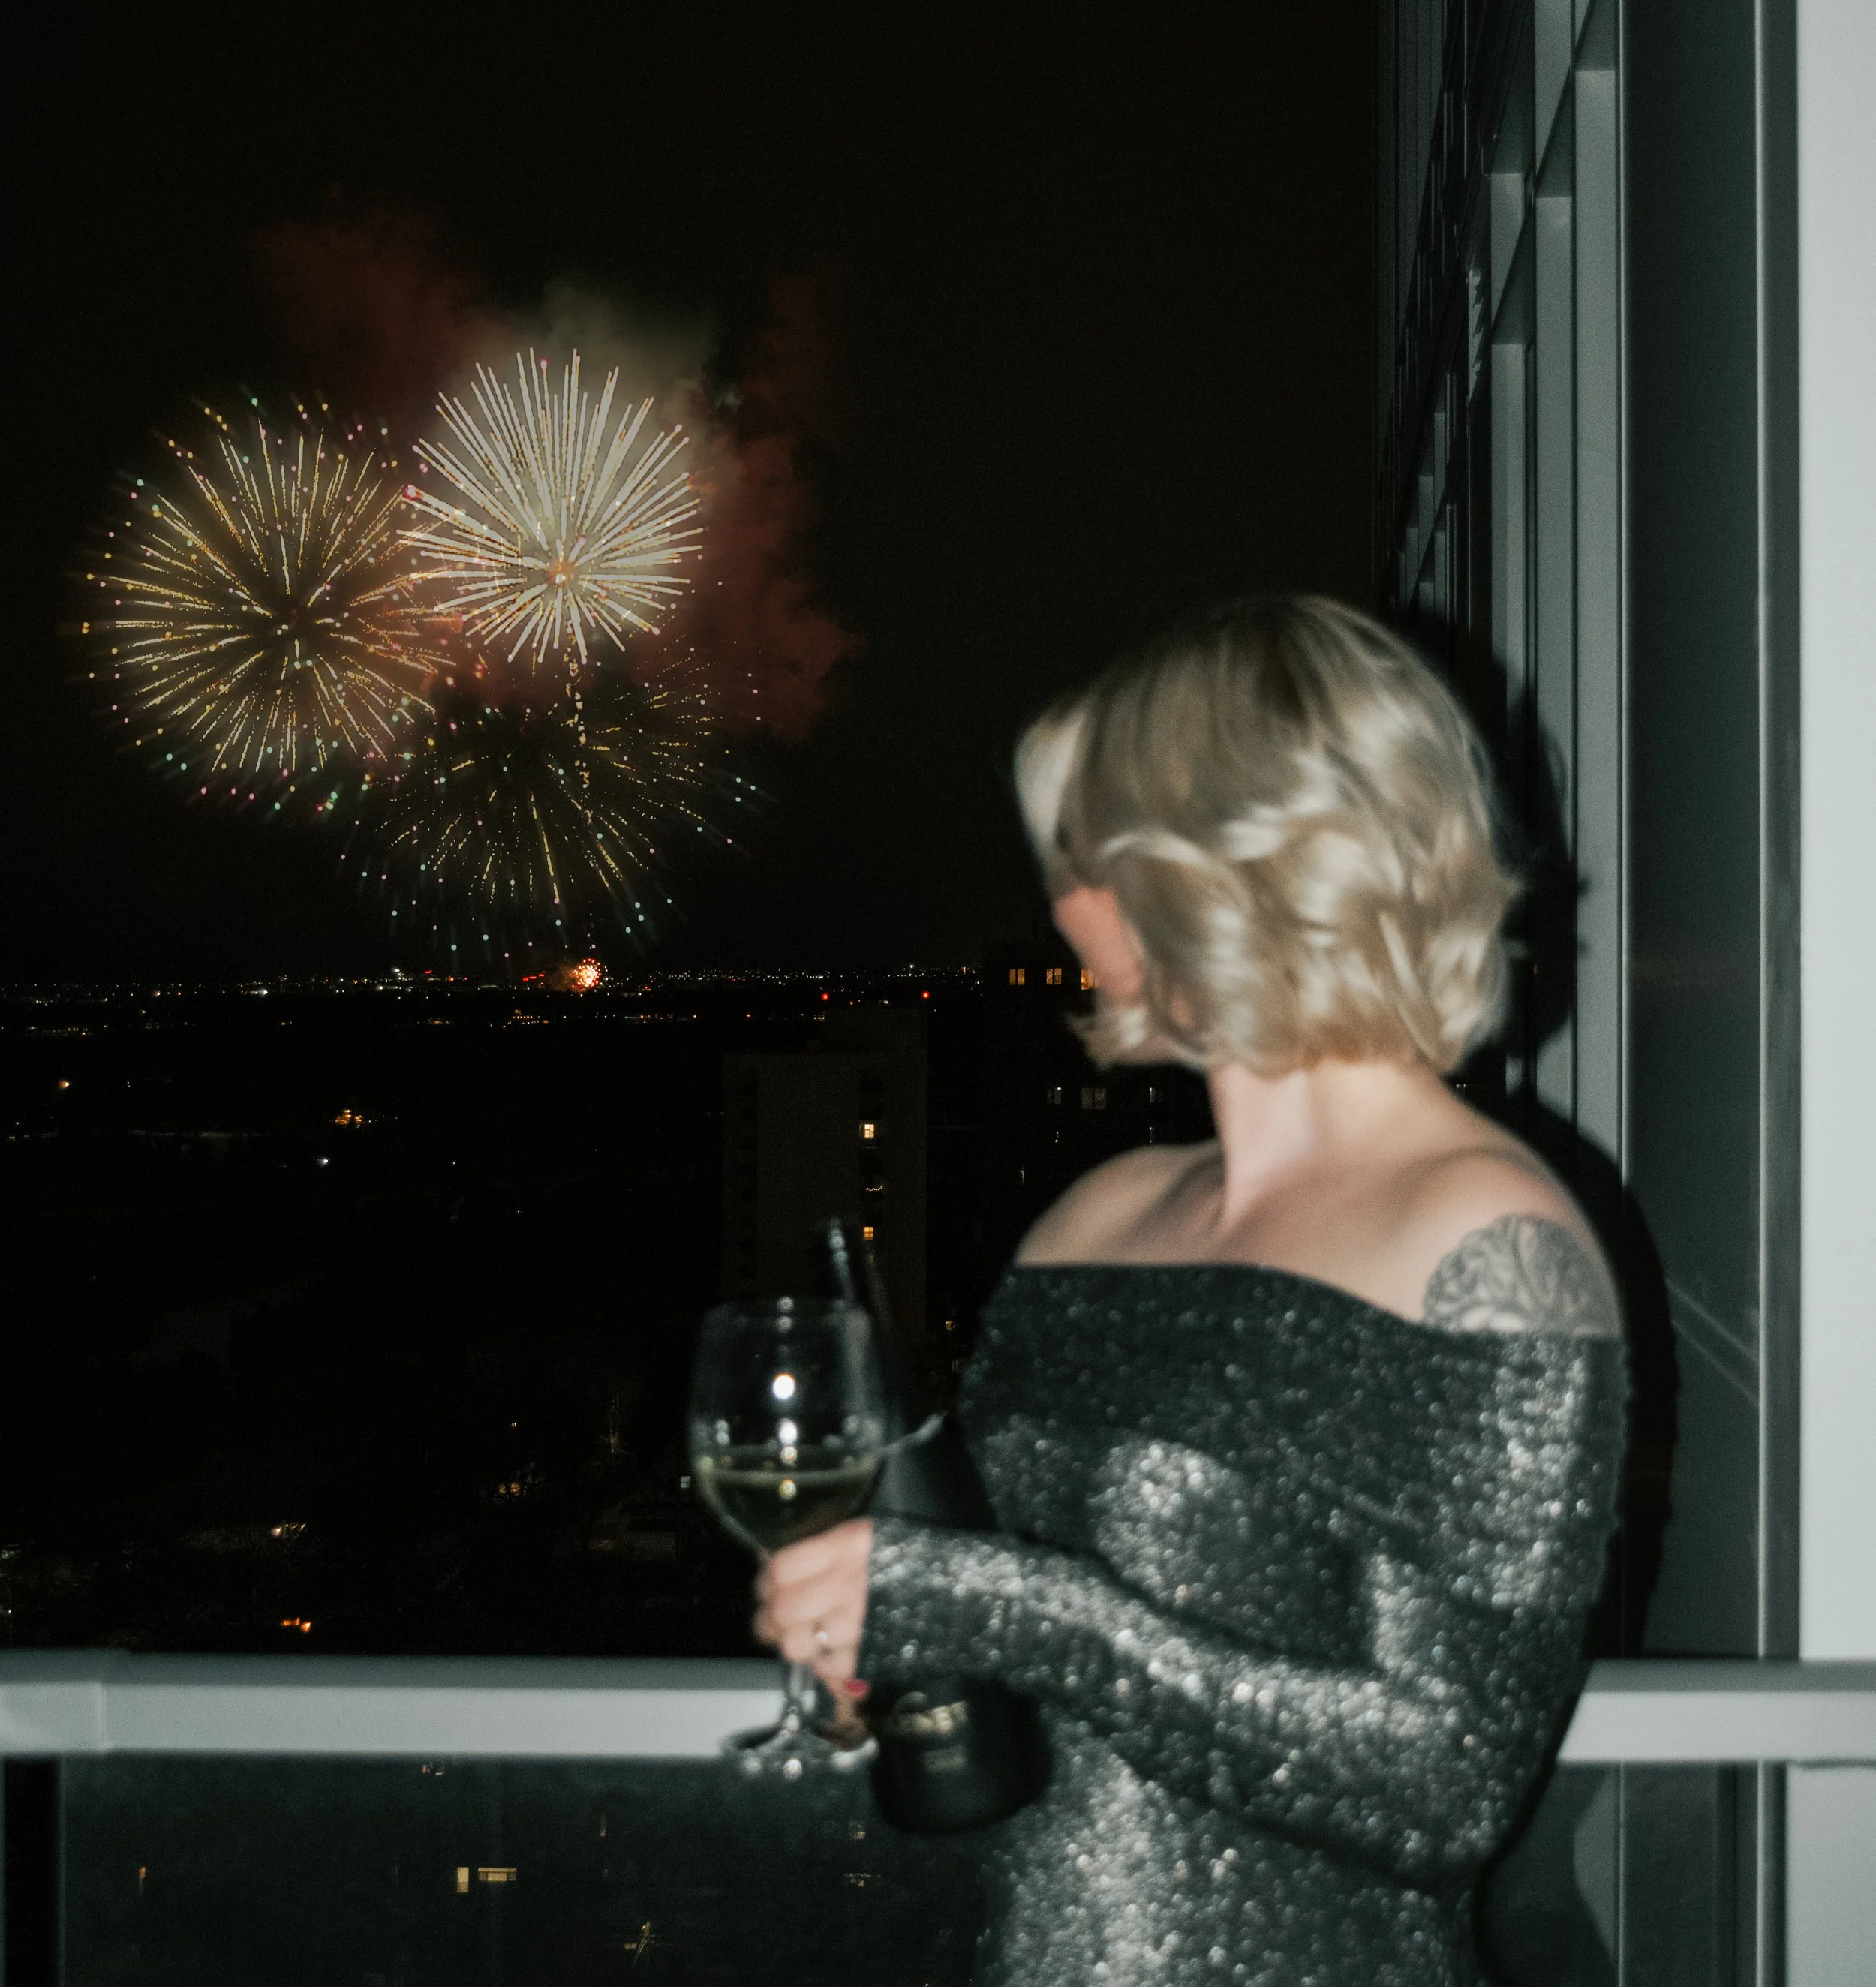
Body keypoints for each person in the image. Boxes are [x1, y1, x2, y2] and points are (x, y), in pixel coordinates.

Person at [756, 595, 1626, 1985]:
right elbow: (988, 1635)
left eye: (1082, 856)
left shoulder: (1484, 1239)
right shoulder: (1095, 1214)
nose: (1060, 905)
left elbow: (1450, 1788)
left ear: (1216, 867)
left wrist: (989, 1606)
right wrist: (888, 1658)